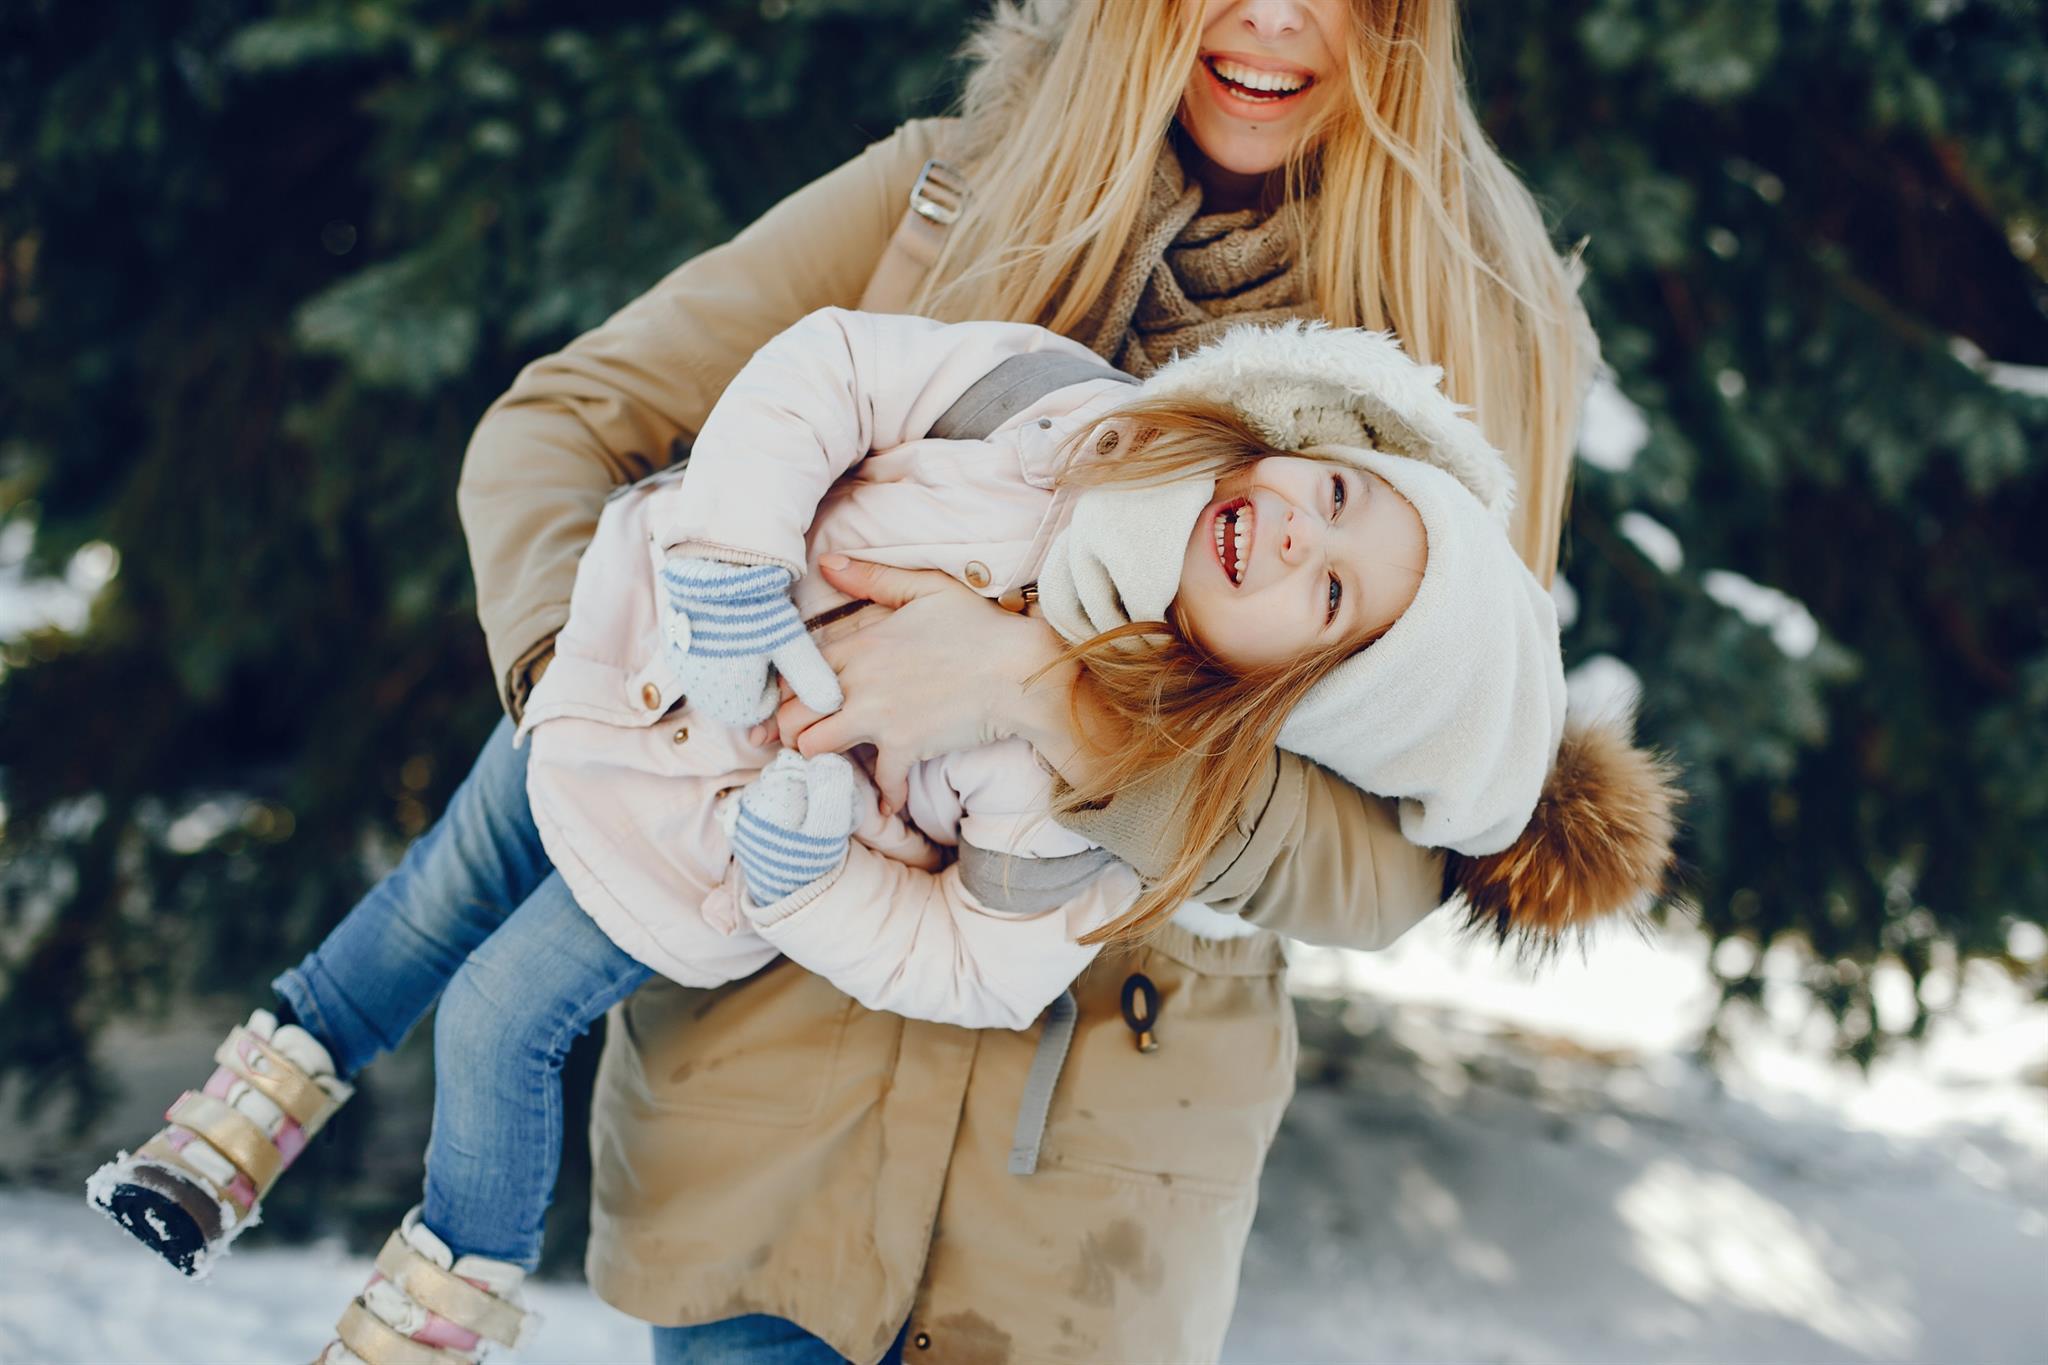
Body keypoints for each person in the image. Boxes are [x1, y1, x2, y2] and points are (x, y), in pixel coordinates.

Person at [109, 0, 1613, 1358]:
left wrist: (1055, 704)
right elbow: (563, 424)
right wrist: (636, 699)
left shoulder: (1477, 323)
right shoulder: (957, 187)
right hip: (766, 1134)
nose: (1274, 17)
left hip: (1078, 1225)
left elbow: (1413, 847)